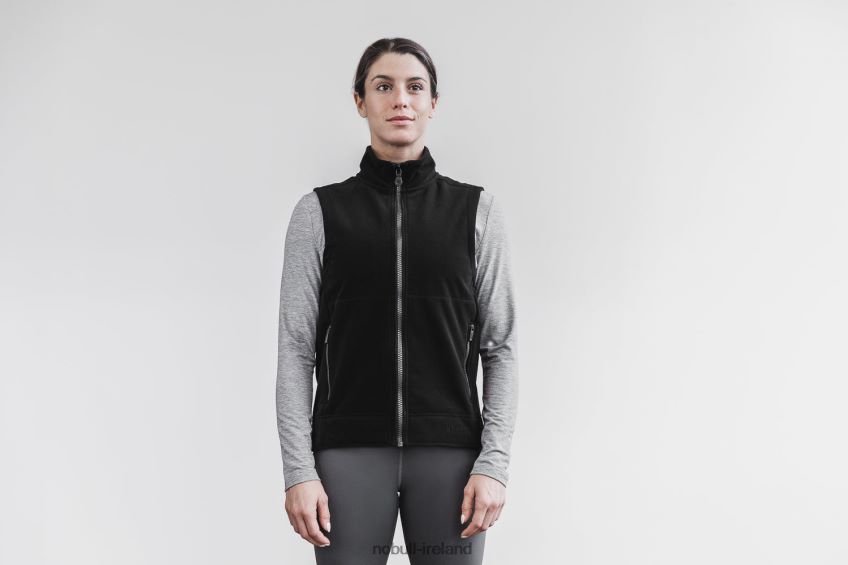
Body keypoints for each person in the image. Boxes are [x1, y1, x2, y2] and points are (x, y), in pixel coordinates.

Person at [276, 37, 518, 565]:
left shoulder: (477, 212)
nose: (400, 100)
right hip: (347, 452)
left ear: (434, 102)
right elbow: (296, 349)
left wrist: (494, 464)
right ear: (360, 101)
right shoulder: (318, 213)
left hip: (452, 457)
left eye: (415, 87)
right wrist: (299, 471)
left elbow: (501, 348)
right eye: (383, 86)